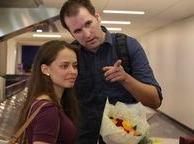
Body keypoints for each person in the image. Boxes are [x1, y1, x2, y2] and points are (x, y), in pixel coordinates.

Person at [59, 0, 163, 143]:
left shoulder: (128, 46)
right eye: (77, 31)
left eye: (88, 24)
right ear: (71, 34)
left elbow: (155, 101)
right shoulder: (69, 55)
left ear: (97, 16)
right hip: (81, 138)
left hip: (126, 138)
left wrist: (125, 79)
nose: (87, 34)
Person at [15, 40, 80, 144]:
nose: (73, 71)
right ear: (45, 69)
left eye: (75, 65)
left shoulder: (42, 101)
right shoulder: (47, 110)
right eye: (64, 66)